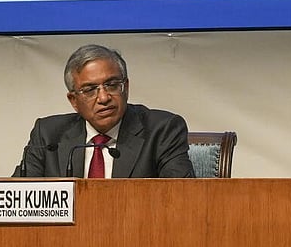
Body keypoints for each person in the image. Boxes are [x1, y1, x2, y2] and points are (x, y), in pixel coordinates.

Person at [14, 44, 195, 178]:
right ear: (74, 100)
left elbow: (180, 198)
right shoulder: (47, 135)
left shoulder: (162, 130)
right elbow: (17, 202)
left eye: (112, 85)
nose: (103, 98)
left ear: (126, 87)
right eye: (90, 90)